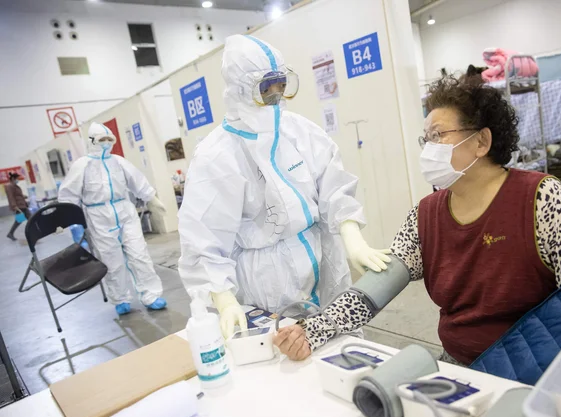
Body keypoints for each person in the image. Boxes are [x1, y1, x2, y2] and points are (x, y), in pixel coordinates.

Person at [273, 75, 561, 383]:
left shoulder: (541, 197)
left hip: (542, 370)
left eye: (438, 135)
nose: (428, 147)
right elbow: (372, 291)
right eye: (425, 138)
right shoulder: (425, 215)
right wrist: (315, 329)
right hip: (460, 371)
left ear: (482, 142)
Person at [178, 35, 390, 339]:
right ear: (240, 89)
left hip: (323, 259)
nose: (277, 95)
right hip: (267, 281)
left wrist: (352, 238)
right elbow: (203, 240)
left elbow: (335, 188)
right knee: (287, 358)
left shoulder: (300, 131)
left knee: (341, 345)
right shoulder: (216, 155)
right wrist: (223, 299)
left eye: (281, 84)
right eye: (266, 88)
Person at [59, 122, 168, 315]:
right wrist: (68, 221)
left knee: (139, 255)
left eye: (110, 139)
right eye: (102, 139)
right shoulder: (82, 165)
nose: (106, 143)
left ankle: (151, 295)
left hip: (125, 211)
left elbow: (138, 181)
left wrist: (152, 199)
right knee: (111, 261)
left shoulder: (118, 161)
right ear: (92, 141)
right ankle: (120, 298)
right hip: (98, 216)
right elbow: (69, 195)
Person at [5, 172, 30, 241]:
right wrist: (14, 206)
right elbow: (11, 197)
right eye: (17, 179)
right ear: (13, 178)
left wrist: (23, 196)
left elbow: (17, 195)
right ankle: (34, 232)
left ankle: (10, 233)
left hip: (22, 205)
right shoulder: (9, 186)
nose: (18, 180)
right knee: (28, 219)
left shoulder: (15, 186)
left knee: (21, 220)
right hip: (19, 207)